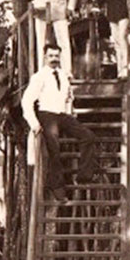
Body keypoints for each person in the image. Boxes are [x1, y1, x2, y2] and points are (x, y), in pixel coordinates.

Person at [21, 44, 96, 200]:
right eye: (51, 56)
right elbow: (26, 101)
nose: (54, 59)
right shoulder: (39, 77)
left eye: (56, 56)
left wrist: (70, 112)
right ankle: (57, 187)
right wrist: (34, 124)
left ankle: (84, 177)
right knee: (54, 149)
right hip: (46, 114)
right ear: (45, 57)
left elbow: (68, 96)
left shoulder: (62, 75)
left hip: (62, 115)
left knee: (88, 136)